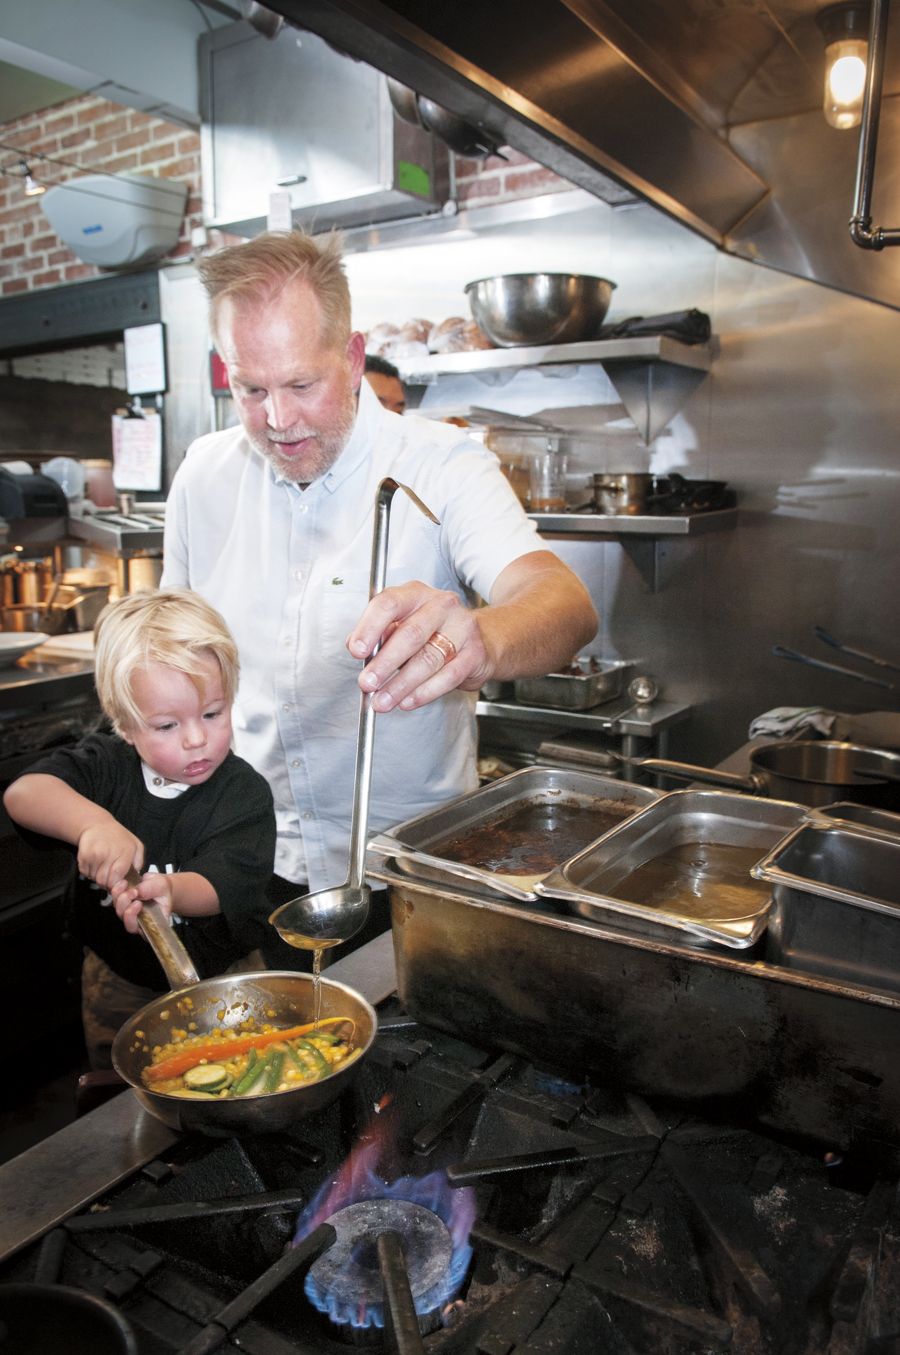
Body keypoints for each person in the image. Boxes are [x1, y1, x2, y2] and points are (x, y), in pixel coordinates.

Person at [162, 231, 597, 954]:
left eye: (302, 385)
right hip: (245, 858)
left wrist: (480, 638)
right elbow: (169, 650)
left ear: (353, 356)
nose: (278, 419)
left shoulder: (442, 464)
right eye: (250, 389)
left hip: (413, 873)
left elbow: (565, 603)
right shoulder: (203, 476)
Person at [3, 589, 276, 1068]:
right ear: (125, 726)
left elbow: (224, 883)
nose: (197, 739)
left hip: (225, 980)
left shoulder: (242, 792)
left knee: (239, 1072)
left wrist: (169, 889)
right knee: (121, 1086)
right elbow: (22, 795)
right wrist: (92, 823)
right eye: (167, 726)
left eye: (213, 714)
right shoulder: (104, 767)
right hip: (118, 981)